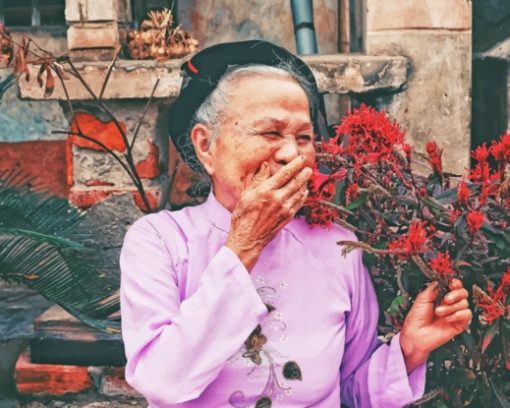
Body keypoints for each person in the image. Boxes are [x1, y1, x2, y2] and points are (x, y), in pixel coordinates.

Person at [119, 40, 472, 408]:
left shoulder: (338, 249)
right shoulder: (160, 241)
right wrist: (244, 246)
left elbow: (350, 392)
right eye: (270, 133)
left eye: (303, 138)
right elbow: (161, 381)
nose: (291, 154)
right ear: (207, 146)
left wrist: (409, 350)